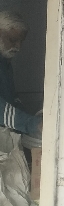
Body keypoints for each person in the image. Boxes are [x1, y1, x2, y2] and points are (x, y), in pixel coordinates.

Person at [0, 10, 42, 139]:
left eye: (21, 41)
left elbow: (12, 98)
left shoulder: (5, 62)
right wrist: (33, 123)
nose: (18, 46)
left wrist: (30, 116)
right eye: (13, 40)